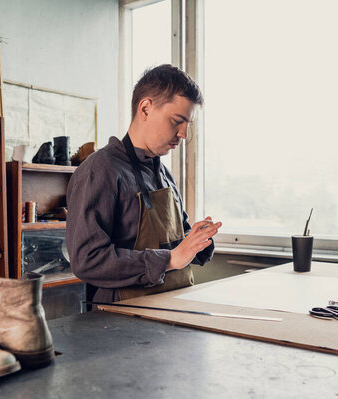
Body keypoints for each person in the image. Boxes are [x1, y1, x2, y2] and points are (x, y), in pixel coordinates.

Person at [66, 64, 222, 304]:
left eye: (188, 125)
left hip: (173, 307)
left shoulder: (163, 172)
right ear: (146, 109)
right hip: (120, 320)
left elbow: (176, 245)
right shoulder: (100, 170)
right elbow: (88, 260)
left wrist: (196, 242)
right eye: (177, 121)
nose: (184, 134)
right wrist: (170, 259)